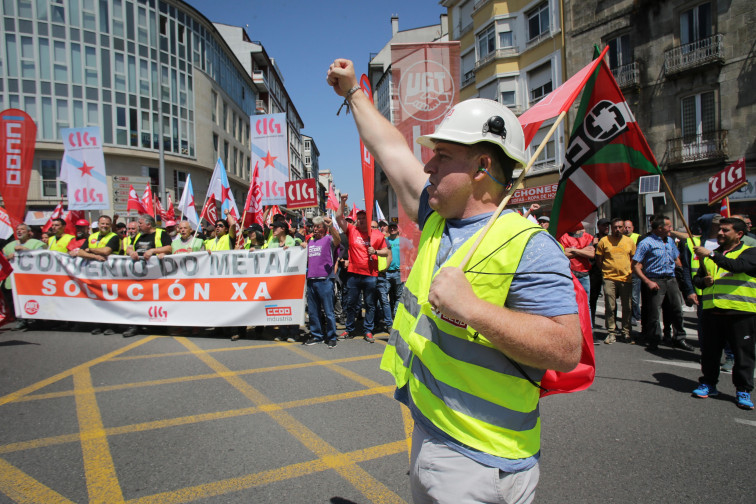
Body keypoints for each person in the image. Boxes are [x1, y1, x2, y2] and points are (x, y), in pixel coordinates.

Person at [328, 58, 581, 503]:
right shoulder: (435, 218)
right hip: (431, 428)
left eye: (443, 157)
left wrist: (473, 309)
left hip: (484, 459)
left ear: (482, 166)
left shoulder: (529, 245)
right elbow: (390, 149)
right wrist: (353, 94)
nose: (428, 168)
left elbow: (565, 349)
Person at [692, 217, 755, 410]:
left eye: (726, 230)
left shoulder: (750, 252)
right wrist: (704, 282)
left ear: (739, 234)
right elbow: (698, 278)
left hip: (741, 312)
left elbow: (738, 267)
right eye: (720, 229)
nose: (720, 233)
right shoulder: (712, 254)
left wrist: (710, 254)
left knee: (743, 355)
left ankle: (743, 390)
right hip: (713, 312)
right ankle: (708, 383)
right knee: (710, 353)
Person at [631, 215, 692, 351]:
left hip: (671, 279)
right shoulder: (646, 243)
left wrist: (680, 274)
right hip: (655, 280)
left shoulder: (670, 241)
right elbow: (635, 265)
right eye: (668, 226)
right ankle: (654, 339)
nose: (671, 228)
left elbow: (676, 258)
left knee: (677, 310)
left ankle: (679, 338)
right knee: (654, 313)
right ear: (660, 228)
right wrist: (647, 281)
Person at [335, 199, 389, 344]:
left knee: (370, 304)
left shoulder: (377, 234)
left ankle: (368, 330)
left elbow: (386, 251)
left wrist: (376, 251)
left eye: (363, 218)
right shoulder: (352, 230)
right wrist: (342, 201)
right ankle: (349, 329)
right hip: (353, 274)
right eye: (358, 218)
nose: (360, 220)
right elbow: (338, 217)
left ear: (368, 219)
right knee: (351, 304)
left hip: (370, 275)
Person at [123, 214, 172, 338]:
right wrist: (131, 252)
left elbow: (169, 248)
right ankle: (135, 325)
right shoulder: (138, 235)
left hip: (156, 274)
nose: (138, 226)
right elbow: (129, 248)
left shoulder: (161, 234)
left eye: (140, 223)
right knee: (137, 299)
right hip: (138, 274)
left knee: (156, 299)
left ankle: (157, 326)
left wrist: (152, 251)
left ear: (149, 224)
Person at [303, 216, 342, 348]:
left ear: (325, 229)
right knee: (313, 311)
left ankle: (331, 336)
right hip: (311, 280)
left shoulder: (329, 239)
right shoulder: (310, 242)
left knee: (328, 311)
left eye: (318, 226)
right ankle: (317, 335)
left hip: (325, 280)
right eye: (314, 227)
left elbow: (338, 239)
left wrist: (331, 226)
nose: (315, 229)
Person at [596, 218, 636, 344]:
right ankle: (611, 332)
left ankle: (626, 332)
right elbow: (599, 258)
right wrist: (604, 271)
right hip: (609, 278)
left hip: (626, 278)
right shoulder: (604, 241)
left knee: (627, 307)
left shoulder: (629, 241)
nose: (617, 229)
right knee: (610, 306)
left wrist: (629, 270)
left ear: (624, 228)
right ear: (611, 228)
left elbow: (633, 259)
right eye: (615, 227)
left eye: (620, 227)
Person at [2, 223, 45, 326]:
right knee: (13, 302)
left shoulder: (37, 243)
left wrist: (26, 250)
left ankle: (35, 320)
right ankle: (20, 320)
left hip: (30, 279)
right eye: (18, 230)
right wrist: (7, 258)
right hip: (11, 280)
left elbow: (43, 257)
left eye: (22, 229)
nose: (19, 231)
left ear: (29, 232)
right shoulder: (9, 245)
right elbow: (2, 258)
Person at [559, 222, 594, 309]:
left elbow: (592, 254)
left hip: (584, 274)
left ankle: (587, 323)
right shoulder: (563, 237)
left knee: (586, 304)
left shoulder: (588, 237)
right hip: (570, 274)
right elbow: (563, 254)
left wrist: (573, 250)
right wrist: (583, 251)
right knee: (570, 304)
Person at [589, 217, 611, 326]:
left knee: (611, 300)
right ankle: (591, 321)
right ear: (598, 227)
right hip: (596, 272)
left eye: (608, 225)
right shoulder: (593, 239)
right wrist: (593, 245)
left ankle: (611, 323)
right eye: (604, 225)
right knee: (593, 298)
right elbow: (589, 255)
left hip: (609, 272)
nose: (606, 227)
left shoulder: (611, 239)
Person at [374, 220, 394, 333]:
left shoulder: (384, 240)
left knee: (384, 301)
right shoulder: (368, 240)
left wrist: (384, 269)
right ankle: (375, 323)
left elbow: (389, 256)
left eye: (375, 227)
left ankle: (388, 324)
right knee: (372, 302)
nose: (373, 229)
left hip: (381, 275)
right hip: (370, 275)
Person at [624, 220, 641, 325]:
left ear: (633, 228)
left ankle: (636, 315)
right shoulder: (620, 238)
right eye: (625, 227)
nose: (627, 229)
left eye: (629, 227)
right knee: (626, 297)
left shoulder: (638, 237)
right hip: (624, 272)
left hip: (634, 271)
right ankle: (630, 315)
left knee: (635, 296)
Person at [385, 222, 404, 317]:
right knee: (384, 296)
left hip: (398, 273)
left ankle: (396, 316)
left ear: (398, 229)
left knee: (398, 296)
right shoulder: (384, 240)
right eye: (391, 228)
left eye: (394, 227)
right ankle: (386, 316)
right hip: (386, 273)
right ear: (388, 229)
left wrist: (405, 266)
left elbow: (411, 253)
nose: (392, 229)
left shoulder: (403, 241)